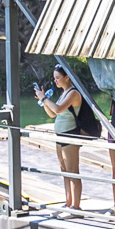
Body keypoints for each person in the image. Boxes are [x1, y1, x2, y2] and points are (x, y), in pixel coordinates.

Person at [37, 66, 86, 210]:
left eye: (58, 78)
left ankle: (76, 207)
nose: (55, 80)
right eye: (54, 78)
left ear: (67, 77)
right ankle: (68, 202)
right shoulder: (63, 94)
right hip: (60, 135)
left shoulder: (73, 93)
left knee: (73, 171)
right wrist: (44, 101)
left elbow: (58, 109)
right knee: (64, 170)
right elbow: (53, 114)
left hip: (70, 134)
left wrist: (45, 98)